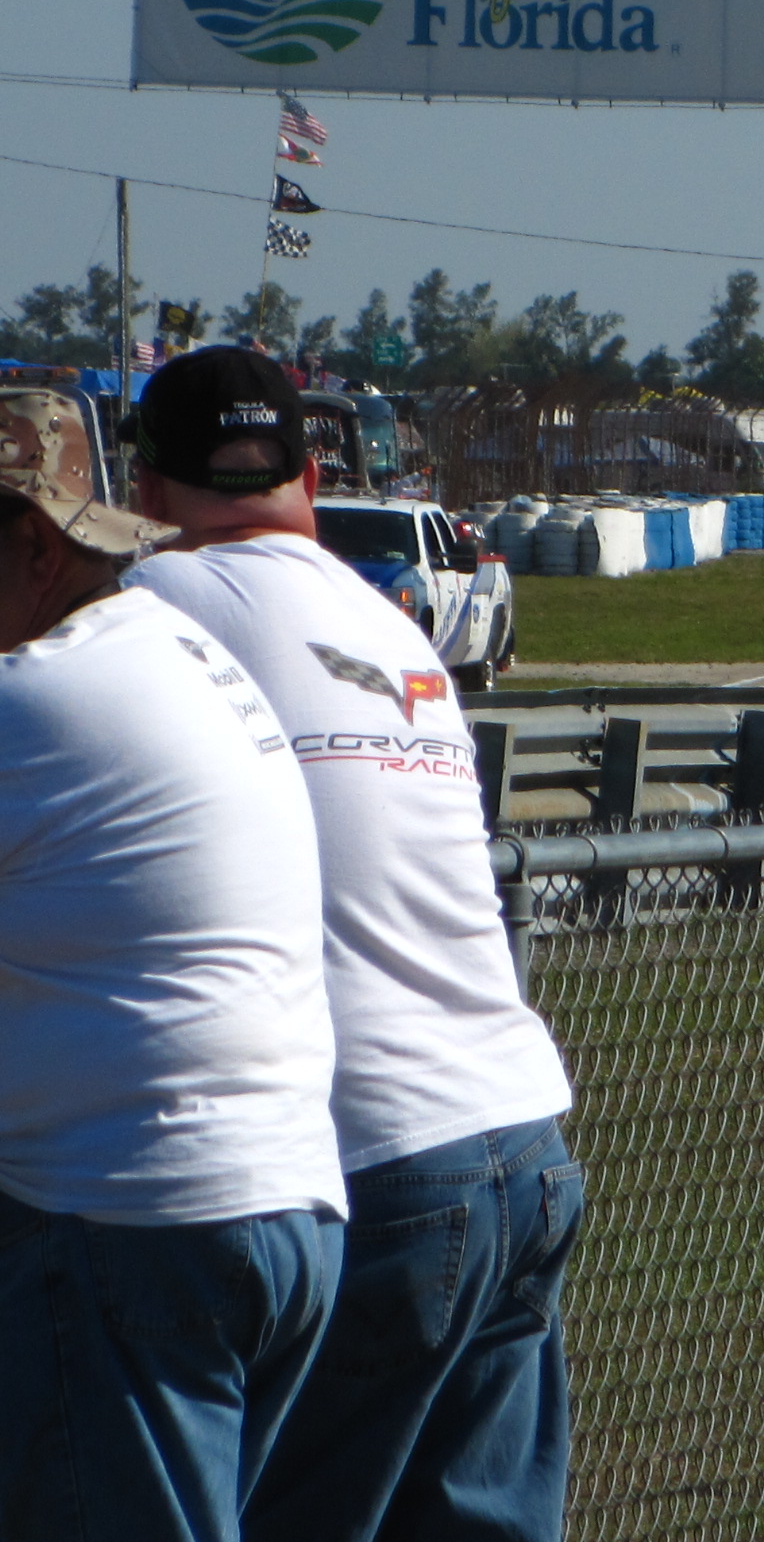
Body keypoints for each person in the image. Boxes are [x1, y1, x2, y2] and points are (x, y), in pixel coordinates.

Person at [121, 348, 584, 1542]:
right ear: (313, 478)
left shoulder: (155, 606)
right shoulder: (388, 624)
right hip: (522, 1133)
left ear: (145, 489)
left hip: (373, 1156)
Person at [0, 385, 346, 1540]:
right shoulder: (167, 648)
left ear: (35, 547)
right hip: (276, 1203)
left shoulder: (34, 701)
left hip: (133, 1220)